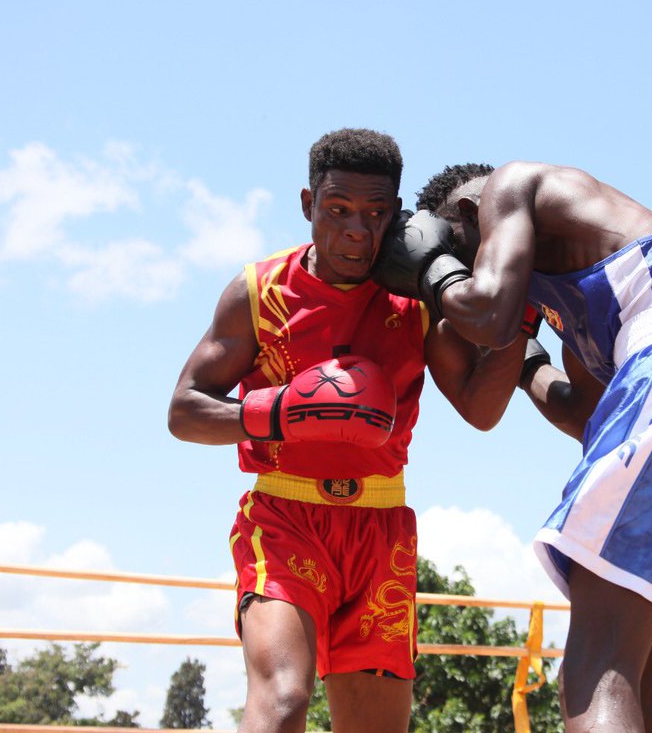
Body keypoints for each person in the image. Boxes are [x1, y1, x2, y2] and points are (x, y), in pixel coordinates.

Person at [374, 161, 652, 732]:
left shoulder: (513, 184)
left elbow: (488, 310)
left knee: (594, 675)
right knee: (638, 696)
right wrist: (528, 364)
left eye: (465, 247)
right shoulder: (573, 305)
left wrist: (432, 264)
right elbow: (589, 417)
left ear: (471, 215)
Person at [167, 131, 528, 733]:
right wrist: (280, 411)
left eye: (376, 214)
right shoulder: (259, 291)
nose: (357, 230)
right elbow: (184, 410)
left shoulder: (418, 298)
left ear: (396, 215)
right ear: (308, 203)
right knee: (283, 700)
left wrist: (519, 305)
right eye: (338, 211)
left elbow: (479, 408)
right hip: (283, 521)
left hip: (379, 532)